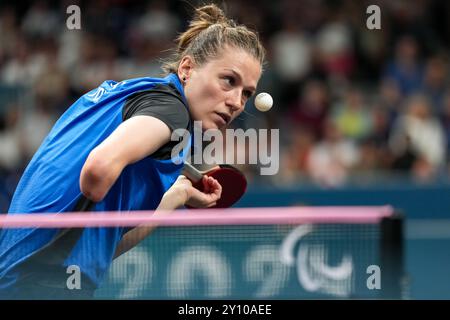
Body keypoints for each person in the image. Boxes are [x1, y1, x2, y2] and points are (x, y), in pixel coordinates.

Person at [0, 4, 265, 299]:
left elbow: (105, 244)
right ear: (187, 69)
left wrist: (179, 194)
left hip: (17, 276)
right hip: (46, 284)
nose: (236, 102)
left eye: (246, 93)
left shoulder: (122, 93)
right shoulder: (172, 112)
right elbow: (97, 171)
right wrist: (99, 179)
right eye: (229, 80)